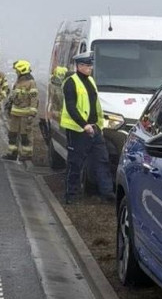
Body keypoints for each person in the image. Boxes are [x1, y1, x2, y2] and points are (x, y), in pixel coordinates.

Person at [61, 52, 114, 203]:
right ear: (79, 66)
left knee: (102, 161)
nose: (90, 68)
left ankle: (107, 194)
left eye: (91, 65)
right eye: (87, 65)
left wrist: (98, 125)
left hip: (95, 128)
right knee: (75, 164)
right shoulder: (71, 82)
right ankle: (71, 196)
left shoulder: (90, 80)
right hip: (78, 130)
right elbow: (71, 107)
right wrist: (84, 125)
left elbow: (94, 105)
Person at [4, 59, 39, 161]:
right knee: (12, 134)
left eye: (17, 70)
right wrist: (9, 105)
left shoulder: (31, 83)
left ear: (22, 70)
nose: (16, 72)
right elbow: (14, 96)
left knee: (25, 136)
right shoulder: (18, 82)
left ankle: (26, 155)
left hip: (25, 115)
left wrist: (32, 114)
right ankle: (12, 153)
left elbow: (34, 99)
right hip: (15, 114)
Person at [40, 65, 68, 145]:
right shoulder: (57, 86)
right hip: (56, 115)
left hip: (57, 116)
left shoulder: (57, 87)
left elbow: (53, 102)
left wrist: (50, 113)